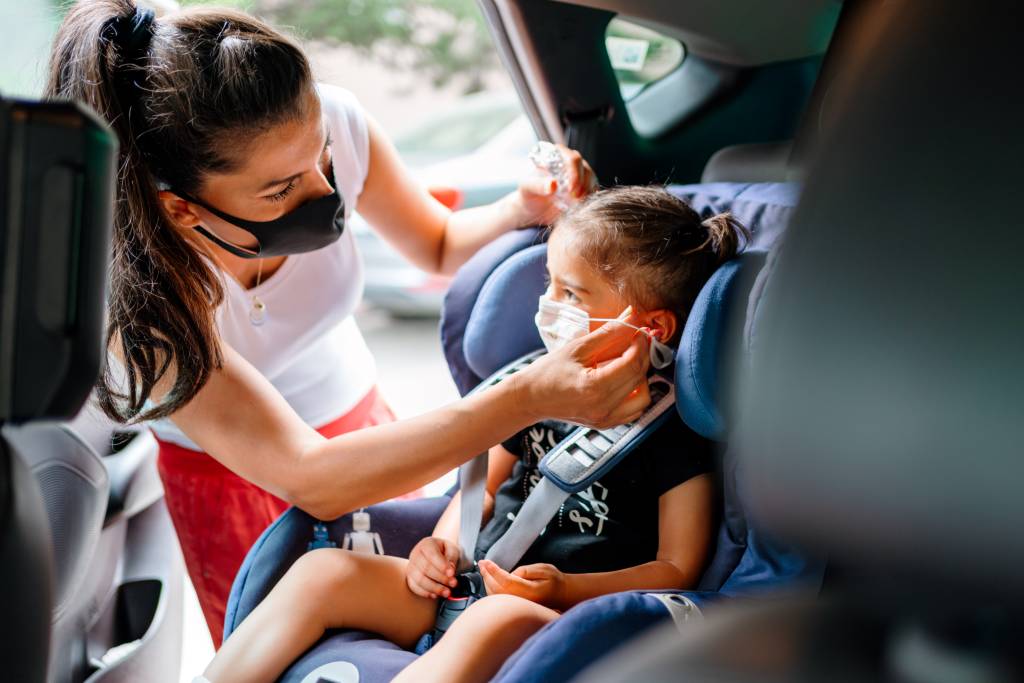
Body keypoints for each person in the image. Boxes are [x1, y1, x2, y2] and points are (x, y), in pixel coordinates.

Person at [46, 0, 652, 645]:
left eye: (325, 157)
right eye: (280, 191)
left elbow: (440, 245)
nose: (323, 191)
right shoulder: (138, 307)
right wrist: (532, 395)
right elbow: (312, 476)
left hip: (372, 429)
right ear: (181, 210)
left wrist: (518, 208)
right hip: (237, 479)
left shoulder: (325, 121)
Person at [199, 186, 750, 683]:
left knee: (495, 617)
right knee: (324, 570)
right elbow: (480, 492)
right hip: (469, 584)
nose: (549, 306)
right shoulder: (536, 387)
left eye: (573, 295)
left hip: (558, 617)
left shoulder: (673, 433)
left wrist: (565, 590)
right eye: (549, 285)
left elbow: (678, 568)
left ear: (650, 329)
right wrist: (442, 546)